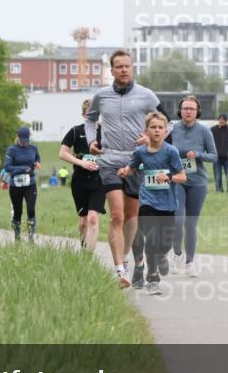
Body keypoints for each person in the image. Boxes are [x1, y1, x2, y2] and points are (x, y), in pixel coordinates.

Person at [85, 49, 166, 288]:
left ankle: (126, 255)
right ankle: (119, 269)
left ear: (132, 68)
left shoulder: (147, 95)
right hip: (109, 160)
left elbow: (165, 121)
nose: (123, 70)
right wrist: (91, 140)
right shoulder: (101, 96)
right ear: (111, 71)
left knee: (133, 216)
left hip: (137, 161)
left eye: (127, 66)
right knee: (117, 214)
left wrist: (149, 136)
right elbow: (90, 119)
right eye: (119, 66)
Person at [117, 112, 187, 294]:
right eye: (153, 127)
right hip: (147, 201)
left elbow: (182, 176)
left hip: (168, 203)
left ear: (165, 131)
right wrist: (125, 172)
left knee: (165, 244)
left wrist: (169, 177)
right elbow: (131, 168)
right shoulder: (140, 152)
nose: (156, 131)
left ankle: (162, 256)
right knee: (152, 238)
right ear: (146, 131)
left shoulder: (170, 151)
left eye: (160, 128)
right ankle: (152, 277)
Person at [169, 95, 217, 277]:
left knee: (191, 224)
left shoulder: (204, 131)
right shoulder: (172, 129)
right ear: (180, 111)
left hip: (198, 182)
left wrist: (197, 154)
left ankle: (190, 262)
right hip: (178, 180)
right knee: (178, 220)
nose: (188, 111)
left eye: (192, 109)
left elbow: (214, 156)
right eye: (185, 108)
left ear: (197, 112)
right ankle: (177, 255)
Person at [59, 99, 106, 251]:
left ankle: (89, 257)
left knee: (93, 218)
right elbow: (62, 153)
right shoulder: (75, 131)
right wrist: (81, 163)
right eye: (89, 114)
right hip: (79, 180)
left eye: (95, 114)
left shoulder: (105, 132)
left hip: (99, 180)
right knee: (84, 221)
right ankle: (84, 246)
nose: (92, 117)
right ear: (83, 114)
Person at [5, 126, 41, 242]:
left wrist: (37, 163)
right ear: (17, 137)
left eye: (26, 139)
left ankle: (31, 237)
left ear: (29, 137)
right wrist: (23, 169)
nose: (24, 142)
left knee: (31, 209)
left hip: (30, 183)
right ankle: (17, 236)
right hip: (15, 185)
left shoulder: (33, 148)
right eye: (22, 140)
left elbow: (37, 159)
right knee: (17, 211)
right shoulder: (12, 150)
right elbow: (7, 167)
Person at [210, 113, 228, 193]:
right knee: (217, 176)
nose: (221, 121)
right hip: (217, 158)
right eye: (220, 119)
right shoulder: (213, 129)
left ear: (226, 121)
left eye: (223, 119)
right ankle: (219, 190)